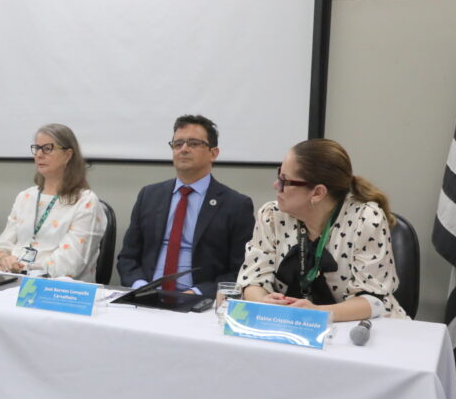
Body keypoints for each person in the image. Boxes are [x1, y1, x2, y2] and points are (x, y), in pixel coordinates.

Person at [238, 138, 407, 320]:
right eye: (279, 175)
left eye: (285, 181)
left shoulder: (365, 219)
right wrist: (263, 301)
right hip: (289, 326)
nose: (276, 185)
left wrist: (317, 314)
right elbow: (253, 279)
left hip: (359, 329)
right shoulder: (272, 216)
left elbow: (375, 301)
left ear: (318, 193)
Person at [117, 114, 254, 295]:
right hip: (145, 295)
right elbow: (127, 258)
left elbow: (240, 270)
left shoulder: (236, 205)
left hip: (199, 301)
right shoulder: (149, 196)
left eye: (194, 143)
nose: (184, 149)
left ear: (214, 153)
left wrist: (196, 293)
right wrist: (140, 286)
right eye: (177, 144)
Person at [0, 124, 107, 281]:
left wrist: (18, 270)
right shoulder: (25, 197)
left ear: (68, 155)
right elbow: (0, 247)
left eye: (47, 148)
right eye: (36, 148)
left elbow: (69, 266)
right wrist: (3, 259)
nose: (38, 154)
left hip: (57, 294)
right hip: (12, 281)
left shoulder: (85, 202)